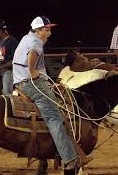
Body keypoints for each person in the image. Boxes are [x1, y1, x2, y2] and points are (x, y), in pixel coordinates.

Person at [12, 16, 90, 170]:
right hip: (30, 83)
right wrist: (33, 71)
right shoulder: (36, 42)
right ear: (37, 30)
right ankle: (70, 159)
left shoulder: (27, 38)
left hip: (21, 81)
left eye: (49, 30)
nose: (49, 33)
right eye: (46, 30)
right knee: (55, 118)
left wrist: (49, 83)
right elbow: (32, 56)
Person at [0, 19, 19, 95]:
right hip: (1, 70)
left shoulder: (12, 41)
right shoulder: (1, 41)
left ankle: (10, 105)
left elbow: (15, 60)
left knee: (6, 92)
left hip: (9, 71)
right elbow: (1, 58)